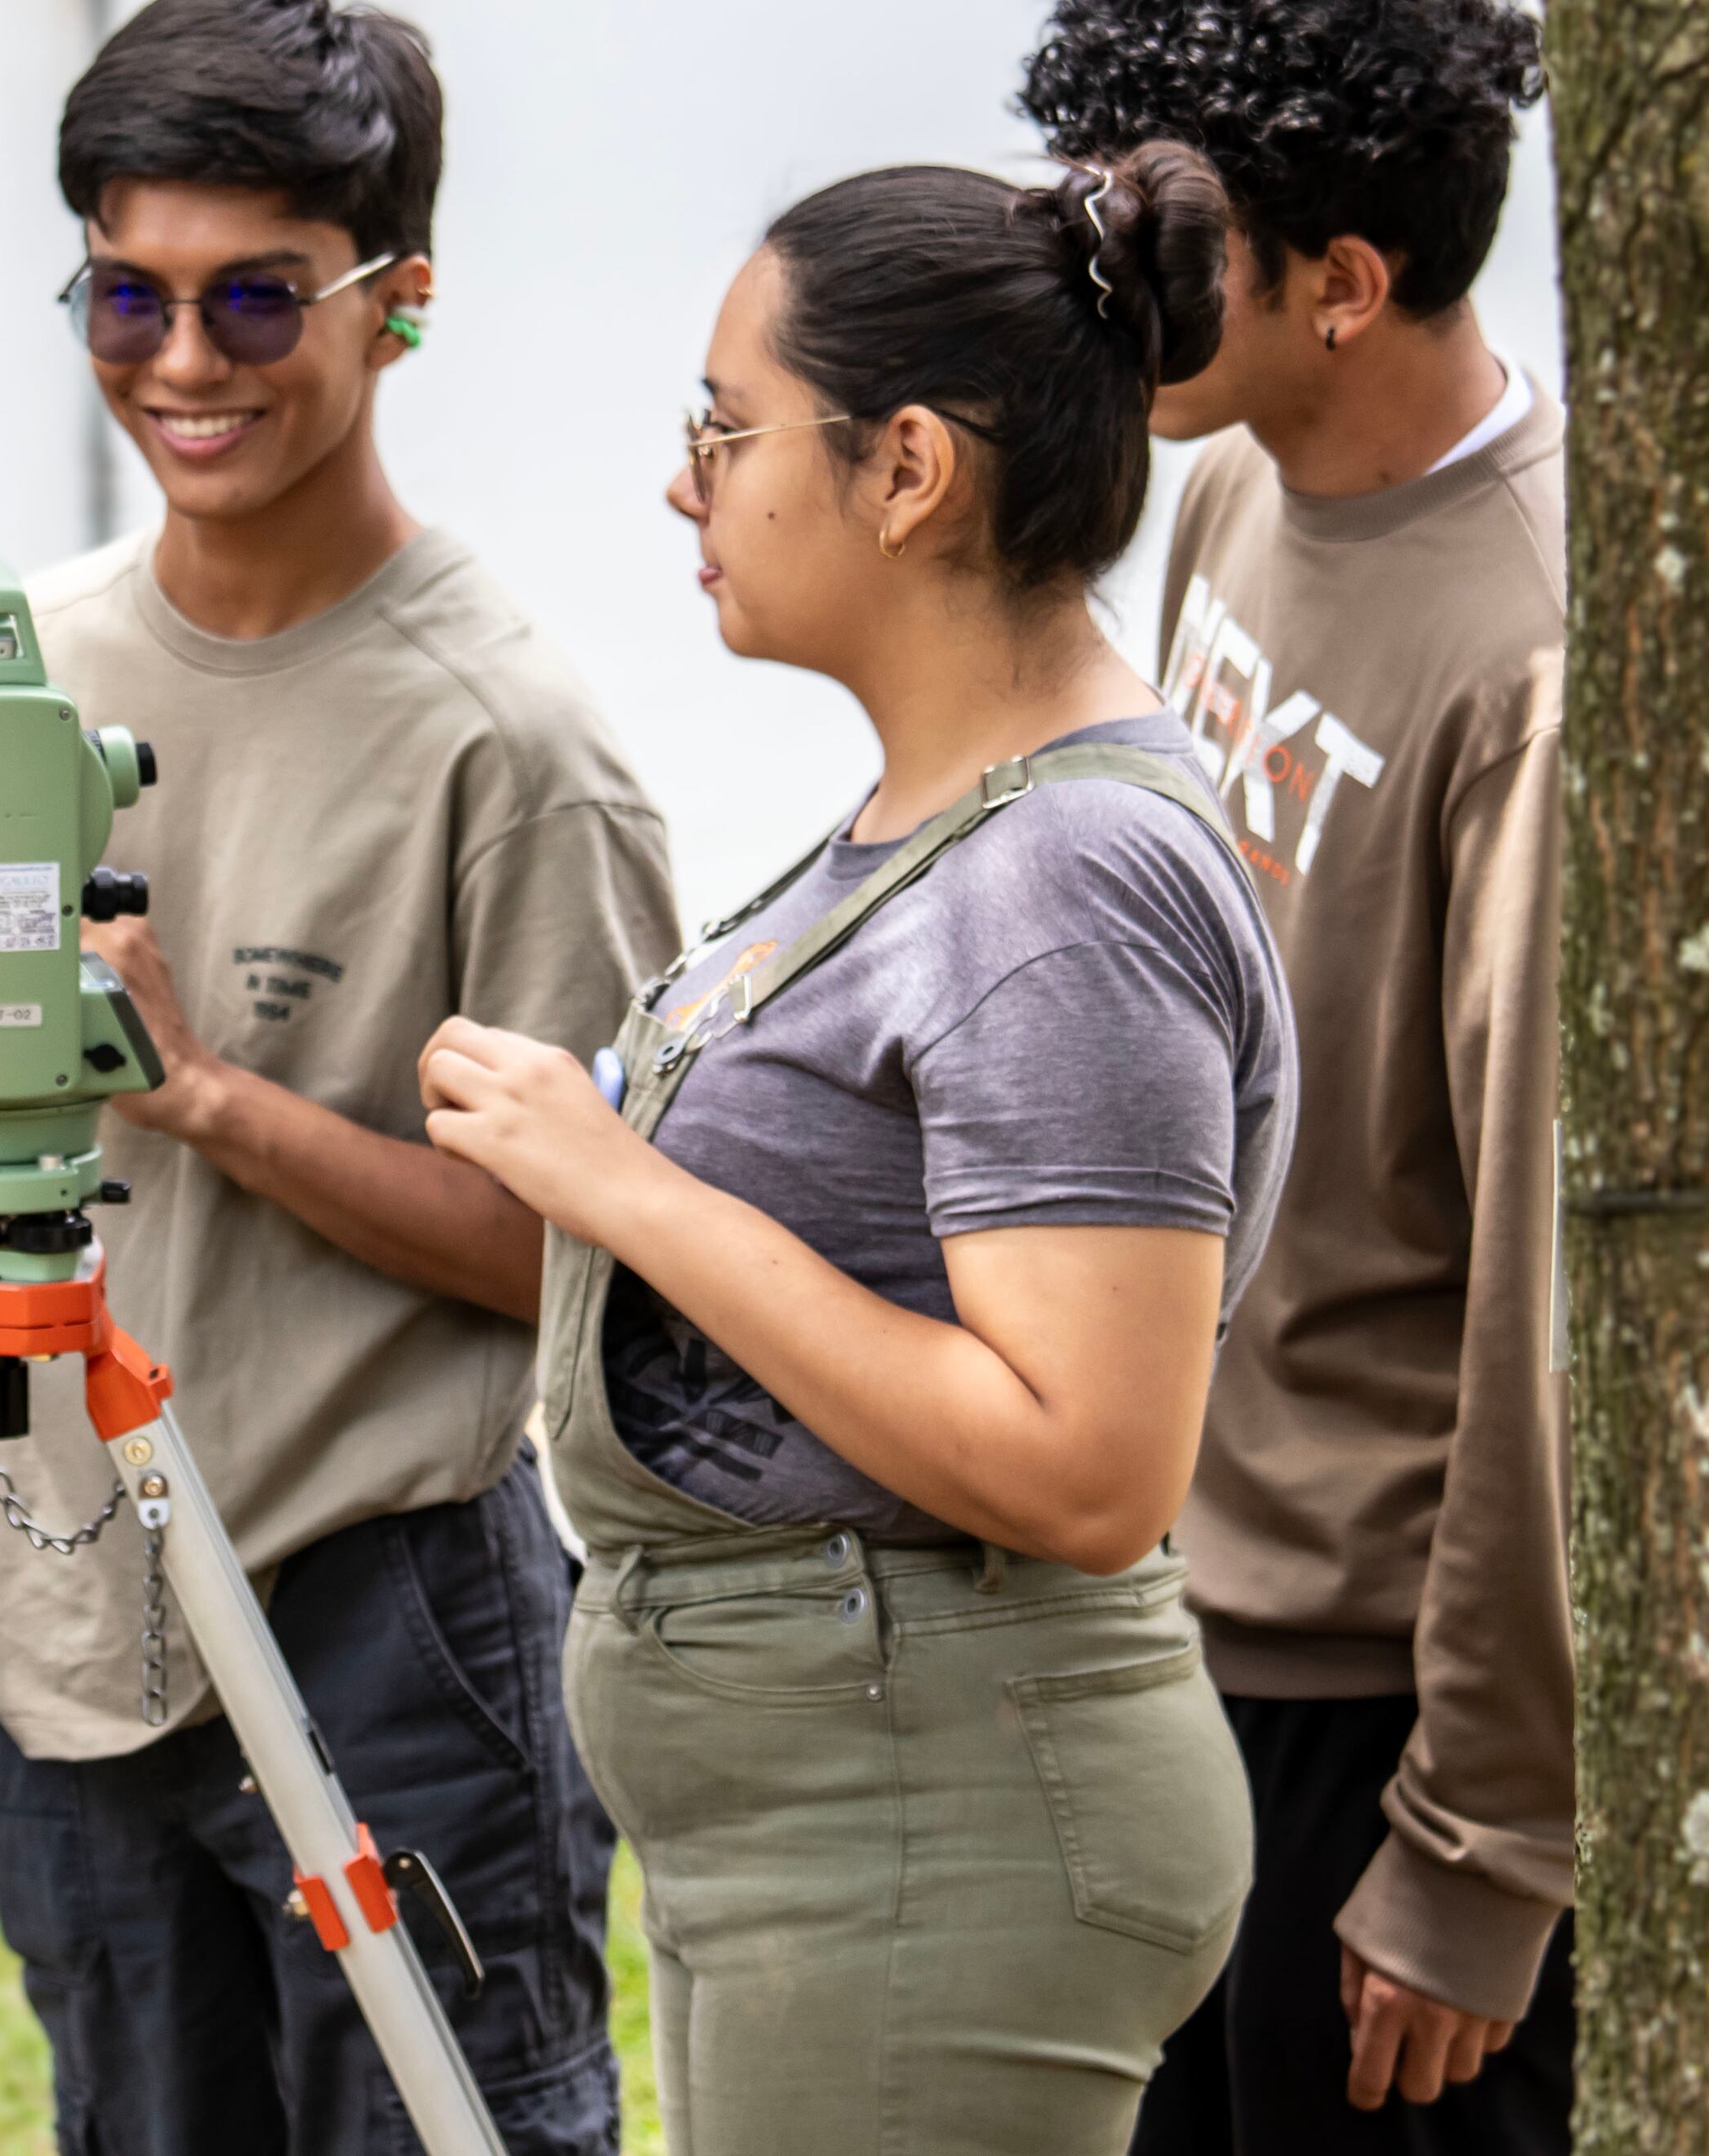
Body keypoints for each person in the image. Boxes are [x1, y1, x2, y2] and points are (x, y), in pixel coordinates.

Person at [418, 146, 1298, 2154]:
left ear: (908, 468)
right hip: (855, 1812)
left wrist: (627, 1185)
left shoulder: (1065, 878)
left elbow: (1087, 1457)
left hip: (939, 1820)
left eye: (724, 432)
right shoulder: (961, 819)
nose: (683, 483)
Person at [0, 0, 673, 2156]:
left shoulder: (510, 742)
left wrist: (210, 1097)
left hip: (381, 1606)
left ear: (396, 301)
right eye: (123, 297)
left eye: (255, 303)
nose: (180, 362)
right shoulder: (19, 671)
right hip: (55, 1579)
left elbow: (592, 1267)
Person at [1019, 0, 1574, 2150]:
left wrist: (1475, 1845)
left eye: (1160, 224)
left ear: (1344, 283)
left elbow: (1552, 1312)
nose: (1099, 262)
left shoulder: (1539, 655)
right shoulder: (1228, 467)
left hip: (1368, 1699)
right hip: (1171, 1602)